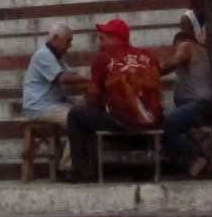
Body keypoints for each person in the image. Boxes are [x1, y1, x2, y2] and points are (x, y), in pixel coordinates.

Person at [66, 19, 164, 182]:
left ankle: (81, 172)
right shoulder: (149, 56)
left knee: (76, 115)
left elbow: (93, 97)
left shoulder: (103, 59)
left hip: (122, 121)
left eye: (102, 38)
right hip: (153, 121)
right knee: (131, 113)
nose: (99, 44)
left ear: (114, 38)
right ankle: (142, 167)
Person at [160, 10, 212, 177]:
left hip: (198, 105)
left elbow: (175, 61)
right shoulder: (203, 50)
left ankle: (195, 159)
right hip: (201, 105)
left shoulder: (186, 46)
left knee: (167, 126)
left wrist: (151, 72)